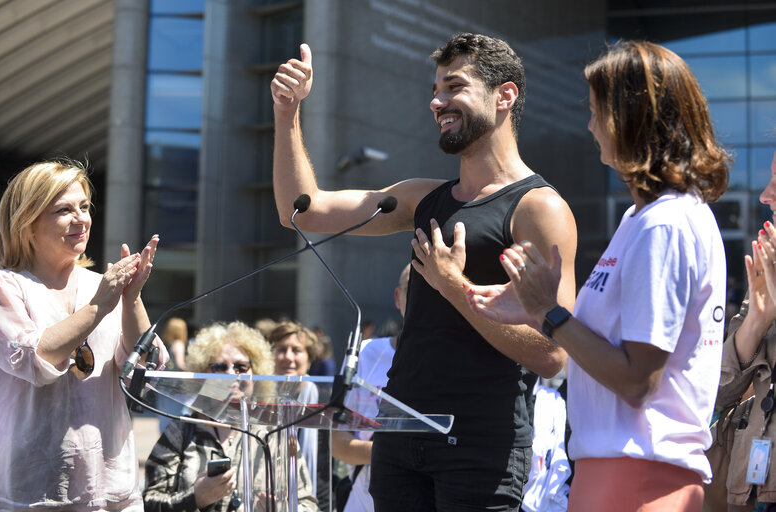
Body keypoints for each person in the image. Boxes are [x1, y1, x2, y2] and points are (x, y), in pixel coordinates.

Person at [271, 32, 576, 510]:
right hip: (398, 434)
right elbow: (303, 212)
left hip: (479, 447)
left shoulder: (539, 209)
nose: (436, 101)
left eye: (454, 86)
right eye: (436, 89)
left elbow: (554, 353)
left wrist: (455, 287)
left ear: (505, 95)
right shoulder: (419, 197)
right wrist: (288, 114)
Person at [466, 40, 729, 511]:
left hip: (642, 477)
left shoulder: (665, 223)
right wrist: (533, 310)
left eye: (595, 111)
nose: (589, 126)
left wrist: (549, 313)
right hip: (612, 473)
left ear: (633, 118)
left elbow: (635, 380)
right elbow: (603, 350)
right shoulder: (640, 220)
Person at [0, 159, 166, 510]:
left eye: (84, 206)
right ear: (28, 223)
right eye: (64, 210)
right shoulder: (1, 287)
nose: (81, 219)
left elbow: (145, 365)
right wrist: (100, 306)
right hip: (29, 492)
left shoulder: (104, 288)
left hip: (112, 491)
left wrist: (132, 299)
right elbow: (34, 359)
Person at [143, 321, 317, 512]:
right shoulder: (182, 430)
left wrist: (283, 509)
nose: (231, 375)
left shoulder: (275, 434)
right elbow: (149, 503)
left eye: (241, 367)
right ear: (203, 374)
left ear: (256, 373)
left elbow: (308, 503)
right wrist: (195, 498)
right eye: (219, 367)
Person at [716, 149, 776, 511]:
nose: (764, 195)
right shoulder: (767, 269)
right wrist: (758, 318)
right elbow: (719, 395)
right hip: (753, 494)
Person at [332, 264, 409, 512]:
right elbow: (338, 443)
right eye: (414, 289)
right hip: (364, 497)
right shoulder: (364, 353)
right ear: (398, 297)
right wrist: (395, 453)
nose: (423, 298)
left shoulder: (455, 361)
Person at [268, 321, 329, 508]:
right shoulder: (261, 403)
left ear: (309, 359)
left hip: (315, 500)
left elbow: (326, 466)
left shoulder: (325, 401)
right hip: (267, 497)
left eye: (296, 350)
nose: (288, 357)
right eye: (281, 349)